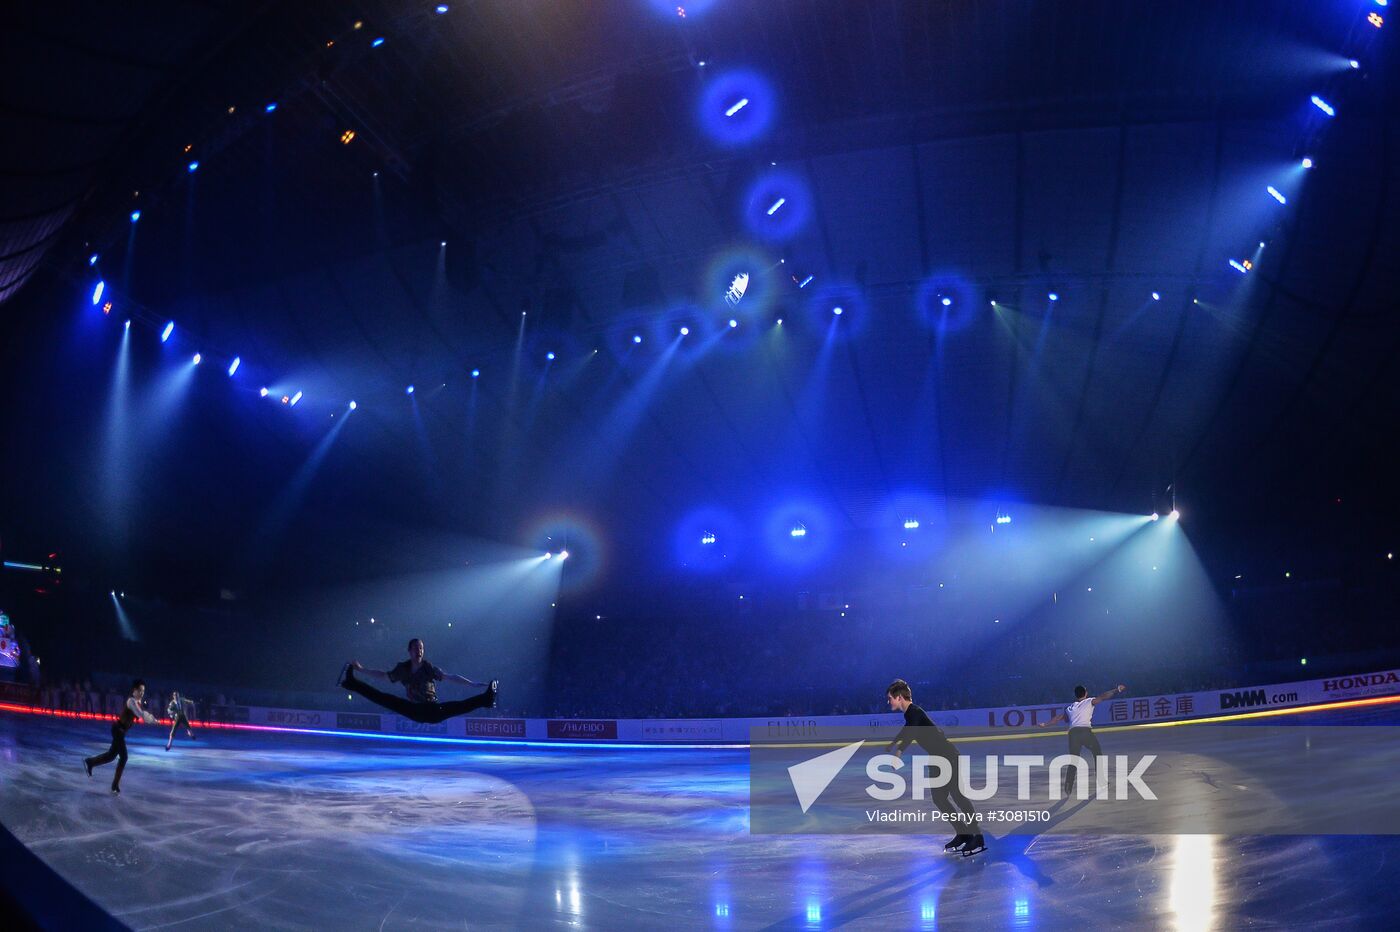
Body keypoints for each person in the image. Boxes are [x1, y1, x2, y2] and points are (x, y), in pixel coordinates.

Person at [885, 679, 985, 856]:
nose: (888, 702)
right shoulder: (909, 714)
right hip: (936, 759)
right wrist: (892, 743)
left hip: (948, 756)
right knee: (939, 799)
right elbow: (907, 729)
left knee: (958, 796)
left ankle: (977, 836)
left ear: (899, 697)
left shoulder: (915, 711)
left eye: (890, 698)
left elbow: (913, 731)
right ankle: (963, 833)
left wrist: (898, 751)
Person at [340, 638, 497, 724]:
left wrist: (472, 684)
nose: (419, 650)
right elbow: (383, 676)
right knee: (382, 698)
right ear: (409, 651)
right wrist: (361, 669)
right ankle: (352, 683)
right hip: (414, 709)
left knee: (458, 706)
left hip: (432, 710)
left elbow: (450, 677)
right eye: (416, 648)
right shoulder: (403, 669)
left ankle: (486, 698)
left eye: (421, 648)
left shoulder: (428, 668)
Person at [1040, 683, 1126, 795]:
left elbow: (1058, 718)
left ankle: (1068, 786)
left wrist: (1045, 724)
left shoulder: (1070, 707)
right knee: (1097, 754)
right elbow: (1103, 696)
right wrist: (1116, 690)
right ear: (1085, 693)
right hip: (1085, 732)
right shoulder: (1089, 701)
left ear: (1076, 695)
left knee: (1074, 759)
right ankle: (1101, 781)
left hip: (1073, 734)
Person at [83, 679, 159, 794]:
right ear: (134, 690)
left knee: (111, 756)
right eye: (139, 690)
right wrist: (151, 719)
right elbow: (139, 714)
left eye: (143, 691)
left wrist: (152, 720)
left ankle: (90, 762)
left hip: (121, 731)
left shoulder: (137, 703)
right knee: (124, 757)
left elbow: (141, 714)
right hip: (117, 729)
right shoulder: (131, 702)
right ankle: (114, 786)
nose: (142, 693)